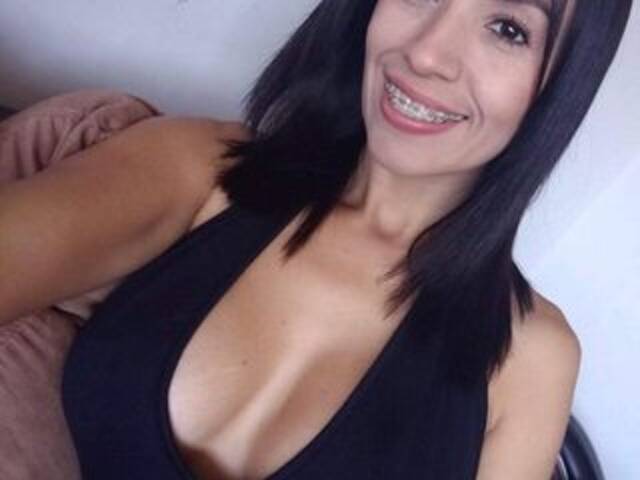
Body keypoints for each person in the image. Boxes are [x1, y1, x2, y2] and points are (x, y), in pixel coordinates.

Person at [0, 0, 634, 478]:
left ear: (562, 86)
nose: (426, 54)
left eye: (507, 28)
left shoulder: (532, 360)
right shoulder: (194, 172)